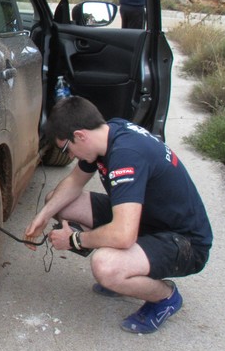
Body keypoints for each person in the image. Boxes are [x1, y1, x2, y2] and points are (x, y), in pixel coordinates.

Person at [25, 96, 212, 334]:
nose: (69, 156)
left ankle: (165, 297)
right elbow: (73, 182)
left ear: (80, 135)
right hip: (147, 218)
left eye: (66, 148)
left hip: (184, 241)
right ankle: (128, 271)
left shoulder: (126, 155)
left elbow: (124, 235)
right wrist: (42, 216)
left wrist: (73, 240)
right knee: (58, 202)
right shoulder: (109, 133)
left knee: (105, 266)